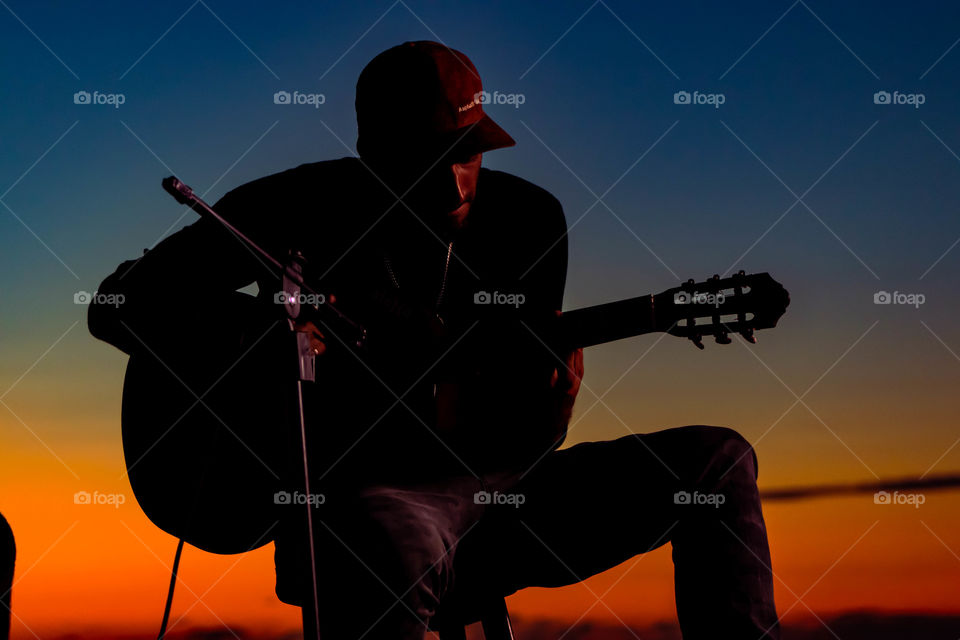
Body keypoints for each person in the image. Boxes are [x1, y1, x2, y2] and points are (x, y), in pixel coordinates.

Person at [89, 41, 780, 639]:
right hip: (364, 506)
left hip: (502, 499)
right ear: (373, 151)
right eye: (430, 157)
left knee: (716, 462)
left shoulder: (528, 222)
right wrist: (268, 348)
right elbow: (118, 305)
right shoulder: (297, 208)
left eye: (471, 154)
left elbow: (507, 437)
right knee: (387, 537)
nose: (455, 183)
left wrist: (548, 414)